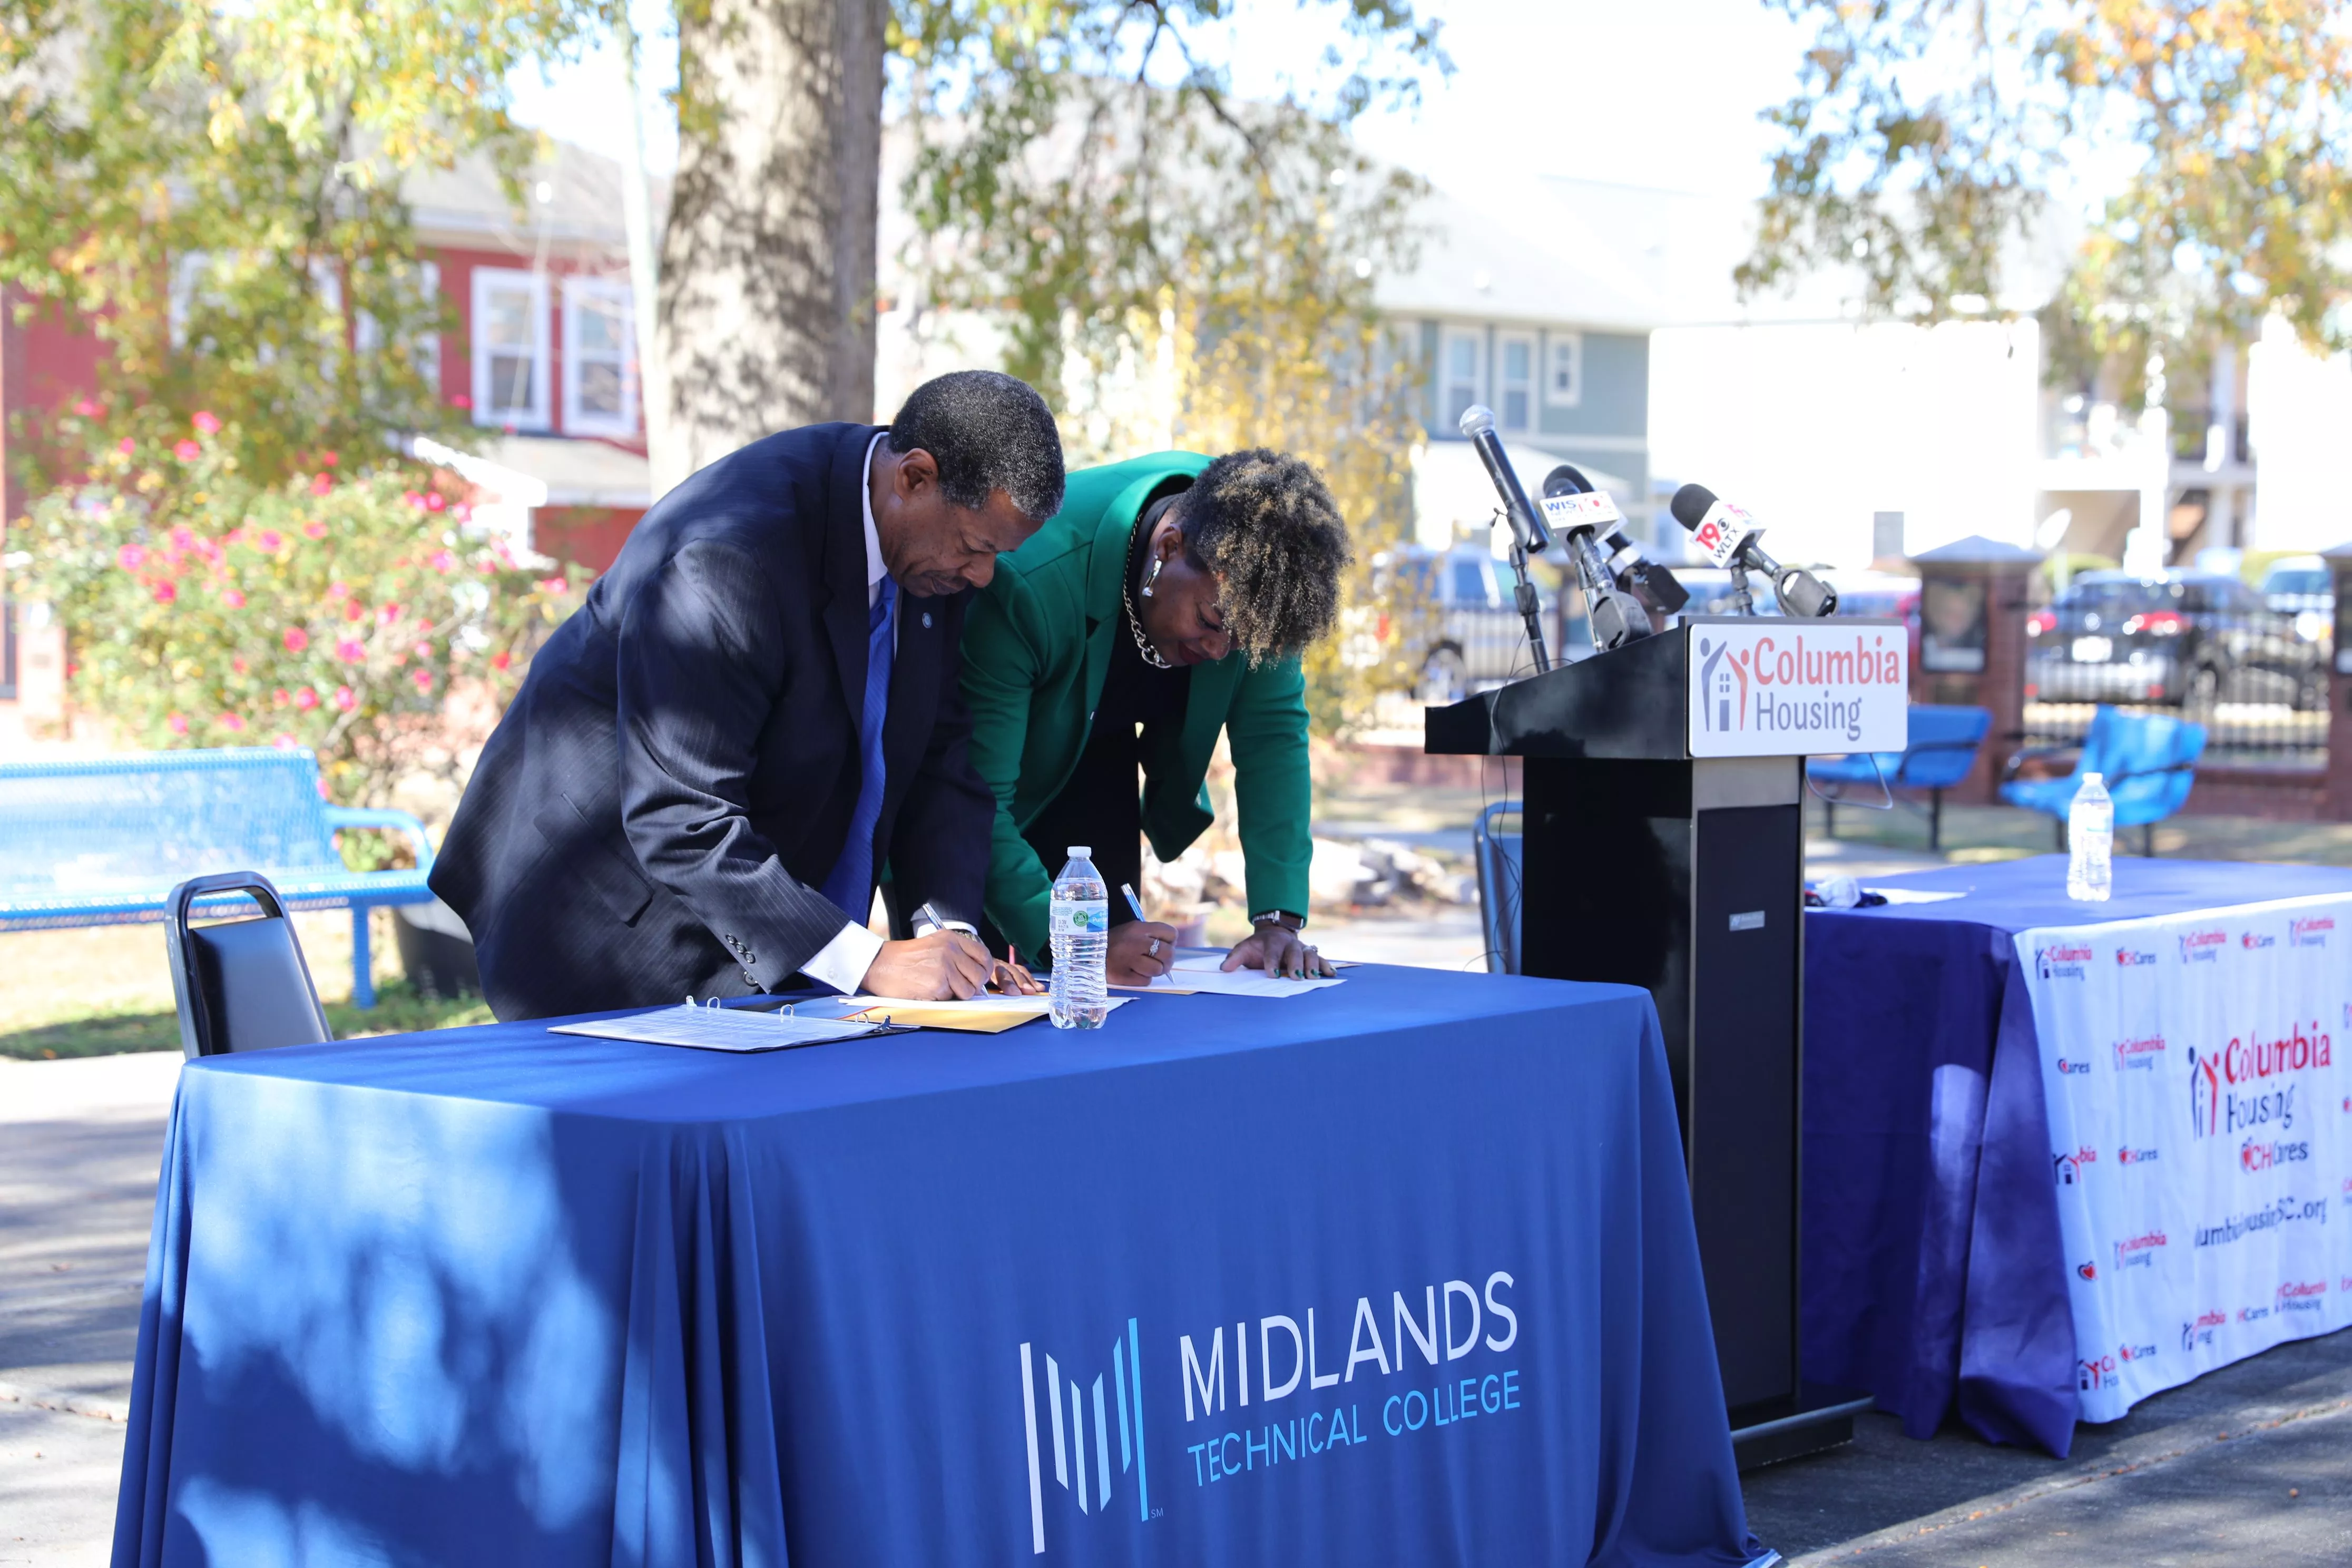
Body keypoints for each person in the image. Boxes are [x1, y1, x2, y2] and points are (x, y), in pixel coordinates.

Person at [430, 371, 1063, 1021]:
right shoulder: (731, 557)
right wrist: (867, 961)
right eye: (975, 548)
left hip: (754, 913)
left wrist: (947, 937)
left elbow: (939, 759)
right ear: (914, 478)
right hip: (606, 910)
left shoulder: (928, 557)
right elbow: (682, 815)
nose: (983, 576)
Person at [959, 448, 1351, 987]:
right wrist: (1064, 937)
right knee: (974, 982)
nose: (1221, 652)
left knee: (1117, 969)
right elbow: (974, 794)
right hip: (976, 779)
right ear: (1169, 548)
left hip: (1101, 760)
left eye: (1240, 644)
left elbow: (1273, 740)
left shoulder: (1265, 574)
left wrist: (1276, 921)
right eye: (1212, 622)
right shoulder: (1032, 576)